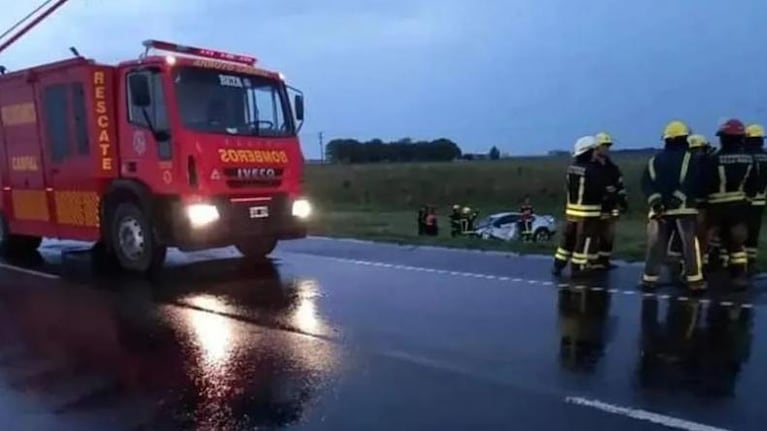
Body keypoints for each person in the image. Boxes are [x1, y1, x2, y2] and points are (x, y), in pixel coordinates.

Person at [640, 120, 705, 291]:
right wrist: (677, 198)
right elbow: (693, 180)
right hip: (684, 209)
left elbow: (646, 184)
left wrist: (656, 202)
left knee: (656, 245)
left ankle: (649, 279)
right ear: (684, 138)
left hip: (658, 211)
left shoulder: (653, 160)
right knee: (689, 245)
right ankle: (694, 281)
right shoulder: (691, 158)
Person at [703, 118, 757, 289]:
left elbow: (704, 183)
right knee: (737, 244)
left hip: (715, 207)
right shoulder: (749, 159)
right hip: (739, 207)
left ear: (723, 138)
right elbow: (754, 185)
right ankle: (739, 277)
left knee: (706, 241)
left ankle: (701, 274)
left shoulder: (713, 159)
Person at [552, 136, 607, 277]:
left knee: (568, 240)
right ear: (588, 152)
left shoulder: (572, 168)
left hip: (572, 211)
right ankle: (579, 267)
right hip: (589, 213)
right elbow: (600, 189)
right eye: (594, 150)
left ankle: (558, 264)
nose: (597, 153)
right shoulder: (593, 170)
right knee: (584, 241)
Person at [666, 134, 712, 269]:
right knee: (696, 234)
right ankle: (696, 261)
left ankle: (686, 259)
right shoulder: (704, 164)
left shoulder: (685, 163)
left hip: (687, 204)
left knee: (688, 234)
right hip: (696, 204)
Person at [592, 132, 628, 270]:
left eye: (608, 146)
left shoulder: (612, 167)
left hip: (611, 206)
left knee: (609, 234)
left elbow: (620, 184)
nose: (606, 148)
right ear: (596, 147)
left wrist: (623, 200)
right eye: (604, 146)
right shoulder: (591, 166)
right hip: (596, 207)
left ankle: (604, 260)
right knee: (594, 233)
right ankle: (592, 261)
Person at [744, 124, 767, 275]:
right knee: (754, 232)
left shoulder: (744, 155)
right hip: (761, 200)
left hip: (744, 199)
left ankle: (736, 263)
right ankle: (751, 263)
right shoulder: (765, 155)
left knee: (739, 232)